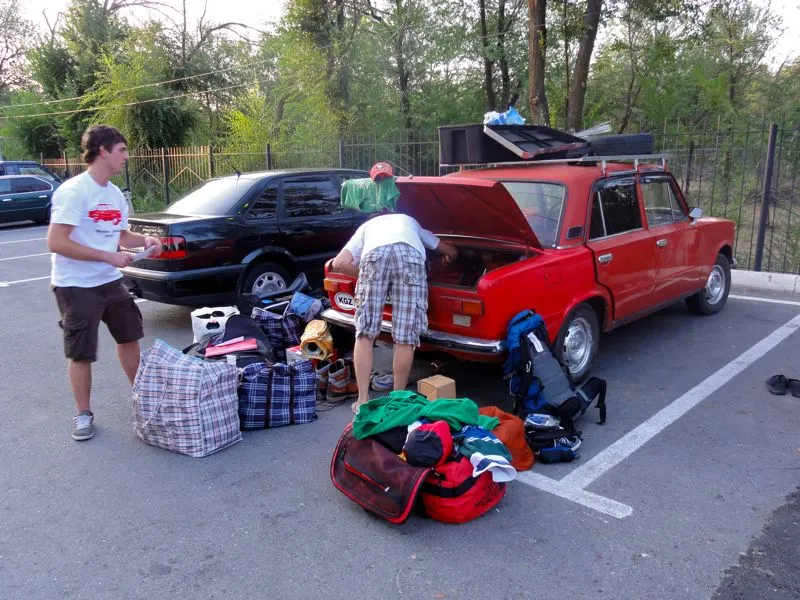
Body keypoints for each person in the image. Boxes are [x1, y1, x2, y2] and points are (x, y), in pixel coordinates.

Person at [47, 125, 162, 441]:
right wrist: (106, 256)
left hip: (110, 282)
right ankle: (83, 414)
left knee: (129, 338)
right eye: (122, 150)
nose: (126, 156)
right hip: (75, 284)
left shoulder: (114, 194)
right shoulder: (73, 192)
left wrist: (145, 239)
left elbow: (121, 235)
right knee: (81, 352)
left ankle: (141, 400)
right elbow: (56, 241)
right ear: (103, 152)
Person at [331, 212, 458, 413]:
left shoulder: (367, 227)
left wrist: (369, 277)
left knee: (364, 333)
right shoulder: (411, 221)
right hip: (410, 257)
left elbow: (339, 263)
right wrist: (449, 258)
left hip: (374, 256)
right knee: (405, 337)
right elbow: (449, 250)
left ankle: (362, 400)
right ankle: (397, 400)